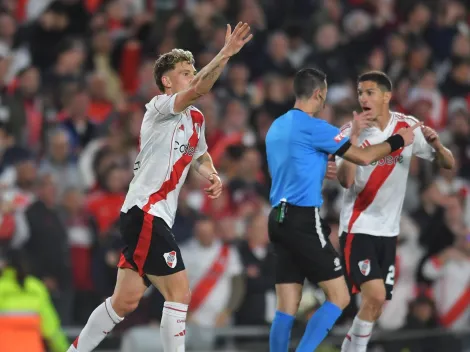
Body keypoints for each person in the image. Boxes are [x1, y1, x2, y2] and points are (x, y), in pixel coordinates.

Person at [67, 22, 253, 352]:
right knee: (179, 292)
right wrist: (225, 54)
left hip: (151, 216)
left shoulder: (196, 119)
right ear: (167, 81)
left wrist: (212, 173)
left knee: (124, 301)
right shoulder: (158, 107)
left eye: (192, 69)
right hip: (146, 210)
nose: (192, 74)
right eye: (185, 71)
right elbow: (198, 88)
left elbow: (201, 154)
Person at [265, 67, 419, 352]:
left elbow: (294, 164)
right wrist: (399, 141)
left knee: (287, 304)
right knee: (340, 297)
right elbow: (362, 157)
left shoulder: (277, 126)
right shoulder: (316, 127)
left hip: (277, 218)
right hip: (303, 218)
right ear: (319, 93)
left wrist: (326, 163)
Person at [336, 71, 454, 352]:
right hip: (358, 227)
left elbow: (448, 163)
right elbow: (345, 180)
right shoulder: (347, 131)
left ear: (387, 96)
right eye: (360, 92)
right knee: (374, 295)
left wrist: (437, 145)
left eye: (370, 92)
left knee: (375, 307)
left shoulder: (408, 127)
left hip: (389, 232)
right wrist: (353, 137)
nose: (363, 98)